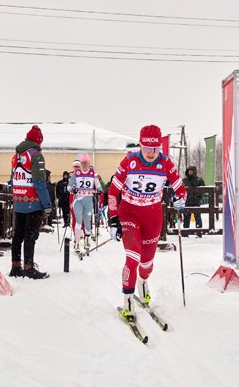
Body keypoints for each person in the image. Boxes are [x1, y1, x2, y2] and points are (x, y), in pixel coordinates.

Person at [107, 124, 187, 320]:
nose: (151, 153)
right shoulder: (129, 161)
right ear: (140, 145)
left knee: (147, 264)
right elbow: (113, 191)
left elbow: (181, 190)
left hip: (152, 214)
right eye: (147, 148)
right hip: (129, 213)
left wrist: (180, 200)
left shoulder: (166, 163)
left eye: (155, 148)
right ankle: (126, 299)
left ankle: (142, 282)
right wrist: (113, 219)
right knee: (132, 258)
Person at [10, 125, 51, 279]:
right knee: (30, 236)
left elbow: (13, 179)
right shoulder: (36, 155)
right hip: (33, 202)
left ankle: (15, 266)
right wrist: (47, 204)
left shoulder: (16, 155)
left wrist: (17, 196)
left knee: (18, 235)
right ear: (38, 141)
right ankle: (29, 267)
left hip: (19, 200)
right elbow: (39, 183)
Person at [69, 154, 102, 255]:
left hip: (88, 201)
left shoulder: (93, 174)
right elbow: (69, 187)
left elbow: (99, 186)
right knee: (79, 221)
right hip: (78, 200)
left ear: (89, 163)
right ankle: (77, 243)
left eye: (86, 163)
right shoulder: (76, 173)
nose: (84, 165)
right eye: (82, 163)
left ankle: (87, 240)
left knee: (87, 222)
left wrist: (99, 190)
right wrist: (72, 189)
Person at [182, 166, 205, 232]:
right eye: (189, 171)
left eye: (191, 171)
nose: (190, 172)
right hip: (187, 201)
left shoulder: (199, 180)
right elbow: (181, 189)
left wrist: (197, 196)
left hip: (196, 201)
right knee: (186, 217)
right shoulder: (184, 180)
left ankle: (198, 232)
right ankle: (185, 232)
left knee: (197, 216)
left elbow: (202, 189)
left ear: (194, 171)